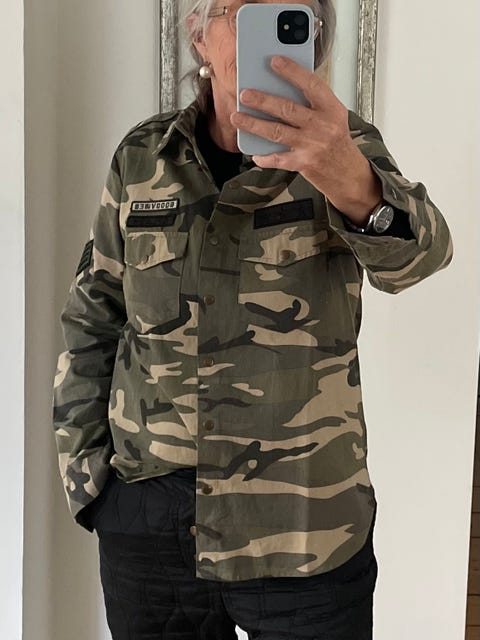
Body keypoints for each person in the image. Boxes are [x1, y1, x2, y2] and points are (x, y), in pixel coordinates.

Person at [51, 1, 453, 638]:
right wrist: (89, 481)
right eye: (240, 13)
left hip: (306, 520)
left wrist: (349, 178)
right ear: (199, 38)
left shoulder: (348, 149)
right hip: (151, 520)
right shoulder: (143, 157)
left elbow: (420, 260)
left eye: (287, 14)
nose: (260, 32)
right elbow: (94, 314)